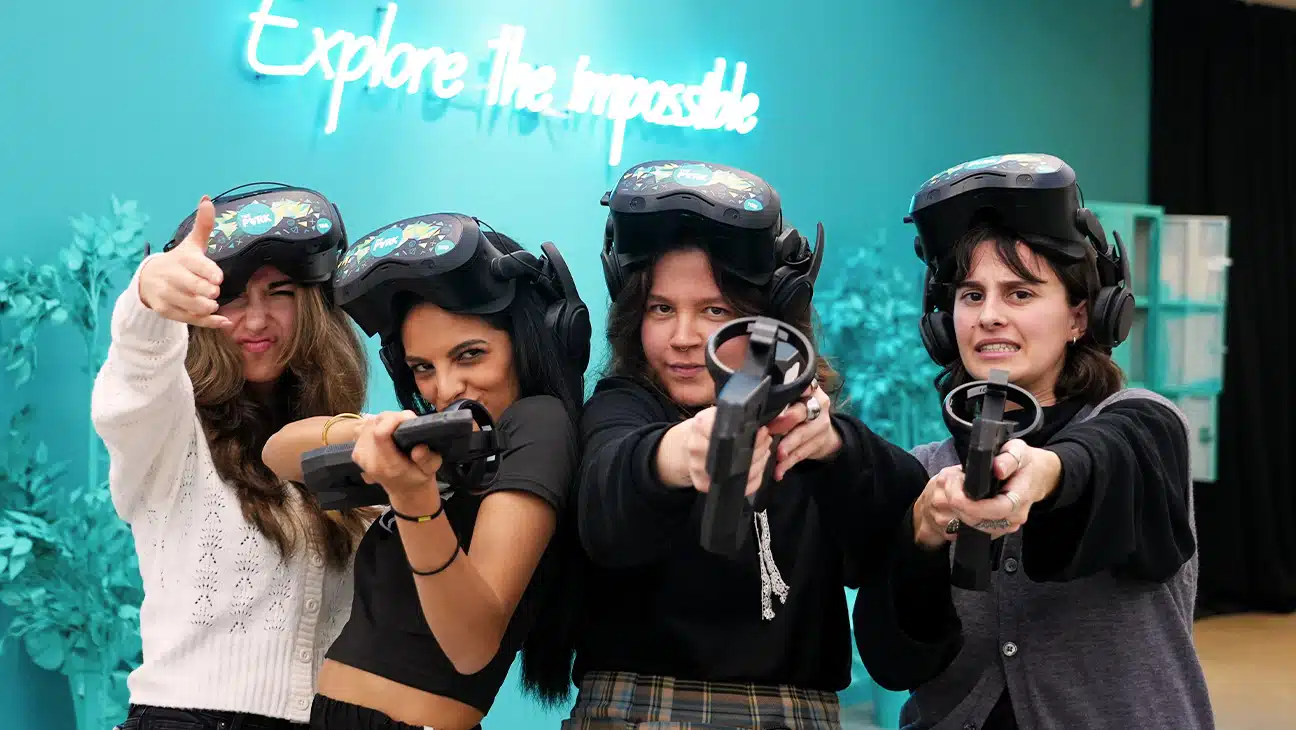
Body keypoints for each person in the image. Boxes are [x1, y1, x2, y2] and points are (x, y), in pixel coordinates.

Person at [853, 153, 1214, 729]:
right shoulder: (927, 473)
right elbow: (895, 663)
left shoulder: (1145, 424)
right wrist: (919, 539)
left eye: (1020, 294)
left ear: (1080, 318)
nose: (990, 316)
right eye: (971, 295)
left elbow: (1106, 455)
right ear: (944, 323)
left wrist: (1045, 473)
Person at [567, 160, 931, 730]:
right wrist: (678, 455)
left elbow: (904, 521)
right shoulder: (622, 406)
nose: (683, 337)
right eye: (662, 309)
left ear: (770, 323)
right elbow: (606, 493)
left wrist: (835, 447)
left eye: (715, 311)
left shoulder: (814, 430)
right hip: (636, 712)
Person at [260, 213, 592, 730]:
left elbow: (471, 643)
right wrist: (377, 432)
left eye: (471, 355)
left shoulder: (538, 421)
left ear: (527, 341)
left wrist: (415, 501)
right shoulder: (441, 447)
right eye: (423, 368)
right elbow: (278, 453)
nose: (447, 388)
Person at [92, 184, 374, 730]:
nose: (256, 320)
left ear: (314, 304)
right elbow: (135, 375)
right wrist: (149, 293)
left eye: (280, 293)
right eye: (233, 296)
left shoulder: (345, 437)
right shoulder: (171, 430)